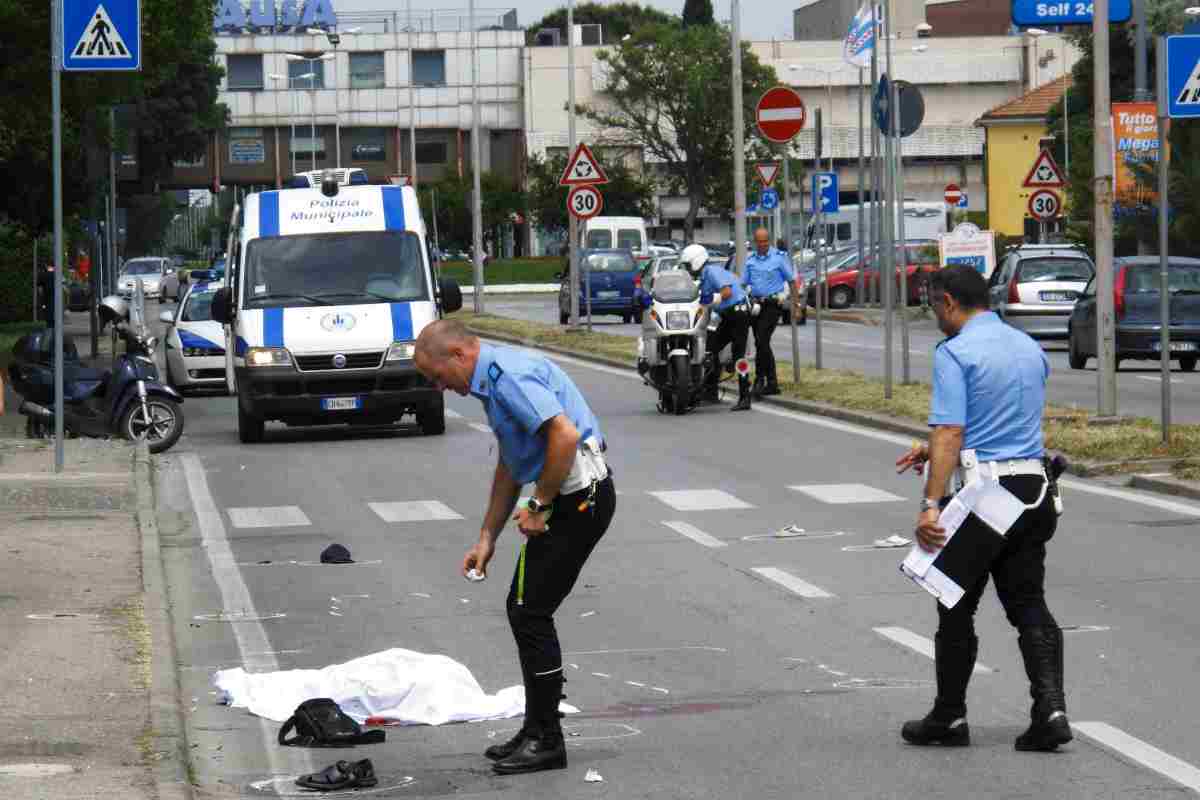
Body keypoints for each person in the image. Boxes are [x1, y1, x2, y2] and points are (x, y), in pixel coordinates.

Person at [412, 320, 617, 775]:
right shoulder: (490, 382)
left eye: (437, 376)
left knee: (529, 610)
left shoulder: (507, 377)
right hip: (568, 495)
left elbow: (563, 437)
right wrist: (487, 536)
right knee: (525, 607)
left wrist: (540, 504)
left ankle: (547, 739)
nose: (439, 387)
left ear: (460, 356)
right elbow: (512, 460)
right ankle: (536, 730)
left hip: (579, 498)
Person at [894, 265, 1071, 752]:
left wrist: (930, 505)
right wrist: (932, 451)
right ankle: (1051, 711)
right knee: (1028, 603)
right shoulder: (1027, 347)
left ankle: (949, 716)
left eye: (934, 306)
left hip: (985, 498)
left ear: (949, 302)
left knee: (953, 604)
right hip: (1033, 490)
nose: (935, 316)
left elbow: (951, 430)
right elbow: (1003, 420)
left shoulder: (955, 352)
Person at [680, 244, 753, 411]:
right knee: (710, 349)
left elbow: (726, 292)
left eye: (689, 265)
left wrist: (711, 297)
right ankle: (707, 390)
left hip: (738, 313)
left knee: (738, 355)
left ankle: (745, 397)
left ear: (696, 261)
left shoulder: (712, 272)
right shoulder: (706, 277)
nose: (689, 270)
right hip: (729, 315)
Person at [742, 227, 797, 398]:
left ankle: (760, 380)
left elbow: (792, 282)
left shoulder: (779, 259)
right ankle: (772, 383)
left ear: (769, 241)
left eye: (765, 241)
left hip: (773, 305)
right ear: (755, 242)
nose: (763, 244)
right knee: (761, 343)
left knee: (761, 339)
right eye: (759, 241)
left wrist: (794, 305)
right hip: (756, 305)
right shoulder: (750, 260)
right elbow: (742, 284)